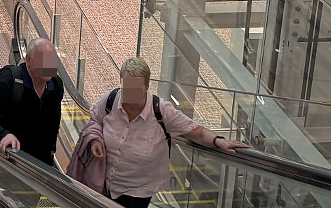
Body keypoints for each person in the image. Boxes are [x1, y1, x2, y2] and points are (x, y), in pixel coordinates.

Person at [88, 58, 247, 208]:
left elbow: (196, 132)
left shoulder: (161, 111)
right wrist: (95, 139)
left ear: (146, 86)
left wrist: (218, 140)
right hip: (102, 182)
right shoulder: (110, 100)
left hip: (137, 193)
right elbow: (94, 121)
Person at [0, 38, 65, 165]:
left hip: (41, 162)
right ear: (29, 60)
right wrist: (4, 135)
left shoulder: (56, 85)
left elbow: (54, 121)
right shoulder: (9, 80)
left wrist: (51, 151)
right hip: (9, 158)